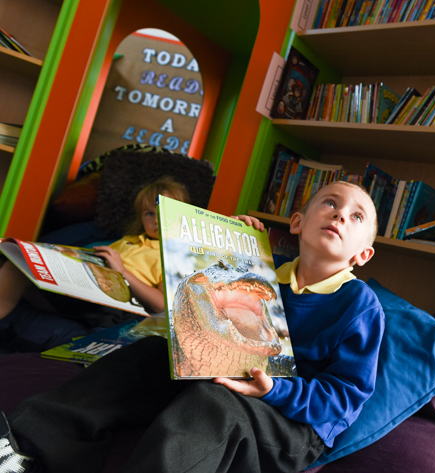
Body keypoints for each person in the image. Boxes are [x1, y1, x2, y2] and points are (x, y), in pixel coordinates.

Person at [1, 180, 385, 473]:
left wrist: (274, 389)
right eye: (330, 203)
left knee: (213, 404)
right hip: (231, 372)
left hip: (295, 421)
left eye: (356, 216)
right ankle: (26, 447)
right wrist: (234, 246)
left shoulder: (360, 305)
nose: (340, 215)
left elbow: (346, 396)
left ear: (363, 255)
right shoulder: (266, 270)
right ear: (297, 222)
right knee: (149, 355)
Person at [0, 176, 190, 353]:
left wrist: (122, 271)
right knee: (15, 265)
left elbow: (160, 305)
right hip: (85, 287)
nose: (156, 219)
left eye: (164, 212)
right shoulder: (128, 240)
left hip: (113, 303)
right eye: (149, 213)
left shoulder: (176, 254)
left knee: (14, 272)